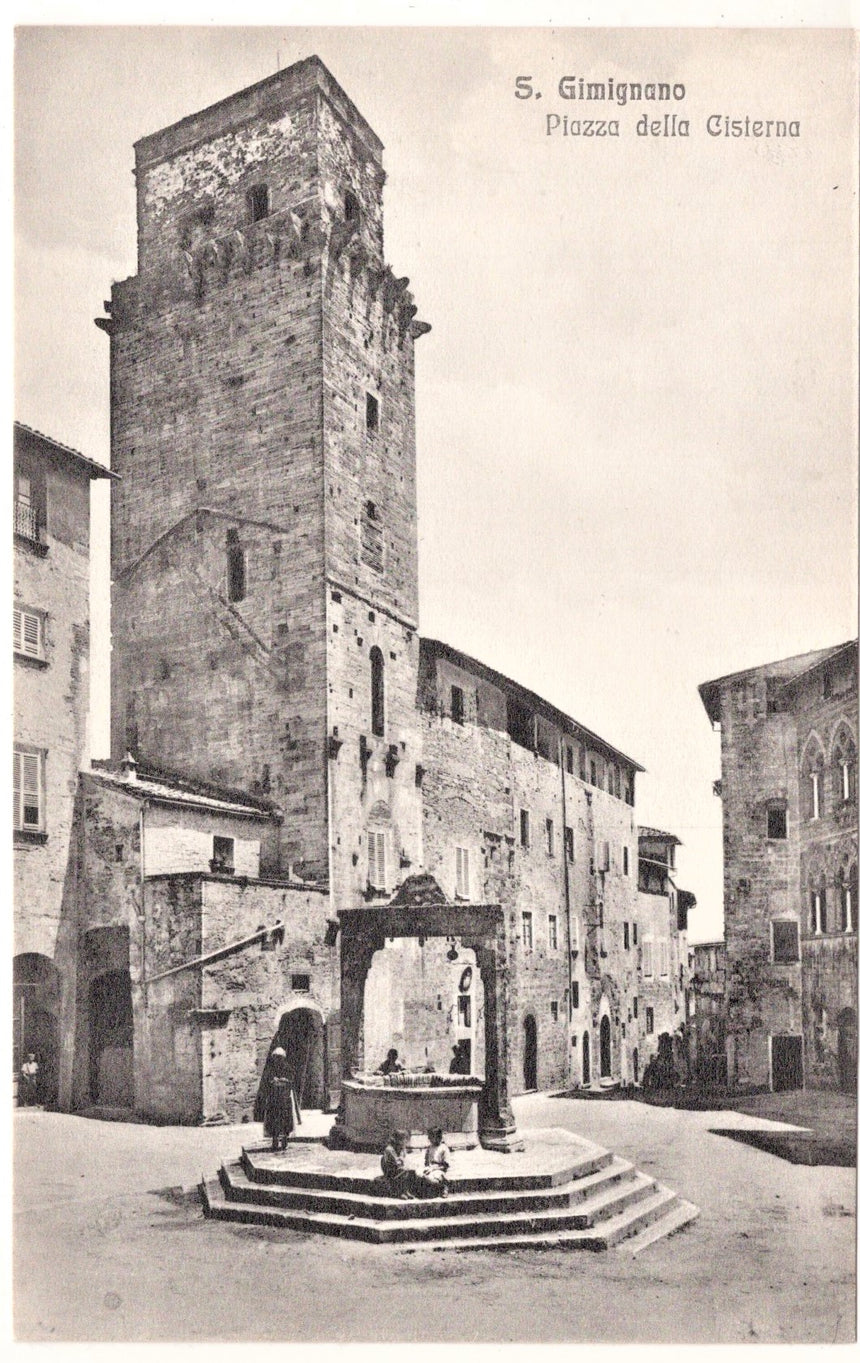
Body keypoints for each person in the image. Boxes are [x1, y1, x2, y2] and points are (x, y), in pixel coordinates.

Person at [262, 1047, 296, 1152]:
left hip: (284, 1098)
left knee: (285, 1120)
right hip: (274, 1098)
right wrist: (273, 1081)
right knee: (274, 1120)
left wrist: (285, 1081)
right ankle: (275, 1141)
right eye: (276, 1058)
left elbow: (292, 1081)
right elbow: (267, 1081)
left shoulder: (287, 1068)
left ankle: (285, 1141)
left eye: (279, 1057)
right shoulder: (271, 1069)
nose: (278, 1060)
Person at [380, 1129, 416, 1199]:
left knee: (410, 1171)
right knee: (404, 1171)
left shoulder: (402, 1148)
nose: (406, 1141)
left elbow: (402, 1159)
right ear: (397, 1139)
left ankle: (406, 1191)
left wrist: (402, 1159)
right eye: (404, 1139)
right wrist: (401, 1160)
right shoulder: (389, 1149)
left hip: (398, 1168)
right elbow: (396, 1162)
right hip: (390, 1170)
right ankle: (400, 1192)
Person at [420, 1127, 451, 1198]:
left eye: (431, 1137)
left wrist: (433, 1169)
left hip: (439, 1169)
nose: (429, 1139)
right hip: (430, 1168)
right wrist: (427, 1168)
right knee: (418, 1173)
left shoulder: (444, 1148)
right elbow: (426, 1161)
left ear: (438, 1137)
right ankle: (430, 1189)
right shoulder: (430, 1148)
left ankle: (443, 1187)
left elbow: (445, 1165)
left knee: (430, 1178)